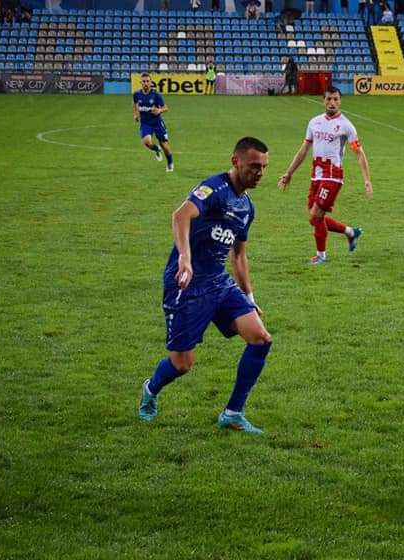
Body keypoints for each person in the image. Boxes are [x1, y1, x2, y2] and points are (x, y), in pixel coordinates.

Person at [138, 137, 274, 434]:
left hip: (219, 283)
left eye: (264, 167)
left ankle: (233, 413)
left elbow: (239, 255)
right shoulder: (214, 188)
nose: (260, 173)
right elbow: (180, 215)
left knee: (261, 339)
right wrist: (185, 257)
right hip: (186, 285)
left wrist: (249, 297)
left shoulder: (246, 207)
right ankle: (150, 388)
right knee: (182, 365)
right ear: (235, 161)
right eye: (254, 166)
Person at [277, 87, 373, 265]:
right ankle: (351, 232)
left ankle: (321, 256)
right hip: (316, 175)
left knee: (316, 215)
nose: (332, 103)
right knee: (314, 218)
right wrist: (289, 173)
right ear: (324, 100)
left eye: (336, 99)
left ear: (340, 101)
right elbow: (304, 150)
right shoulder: (314, 122)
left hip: (333, 176)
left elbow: (359, 153)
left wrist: (367, 180)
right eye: (329, 99)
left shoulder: (346, 126)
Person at [132, 73, 174, 172]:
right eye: (144, 81)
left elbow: (166, 108)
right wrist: (135, 114)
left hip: (157, 123)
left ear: (151, 82)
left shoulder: (156, 95)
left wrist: (159, 111)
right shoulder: (137, 94)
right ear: (140, 83)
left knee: (165, 146)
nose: (146, 83)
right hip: (145, 123)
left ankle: (170, 163)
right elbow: (135, 104)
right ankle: (156, 149)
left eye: (147, 81)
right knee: (147, 142)